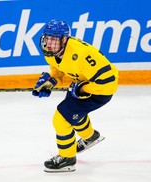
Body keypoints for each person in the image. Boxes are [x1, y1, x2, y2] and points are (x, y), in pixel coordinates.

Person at [32, 20, 119, 172]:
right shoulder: (51, 51)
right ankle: (91, 137)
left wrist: (83, 89)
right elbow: (58, 69)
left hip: (100, 91)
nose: (49, 43)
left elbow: (109, 81)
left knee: (61, 119)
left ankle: (67, 158)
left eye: (54, 39)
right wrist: (50, 82)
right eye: (47, 38)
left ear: (64, 40)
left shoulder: (82, 54)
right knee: (73, 114)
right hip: (82, 83)